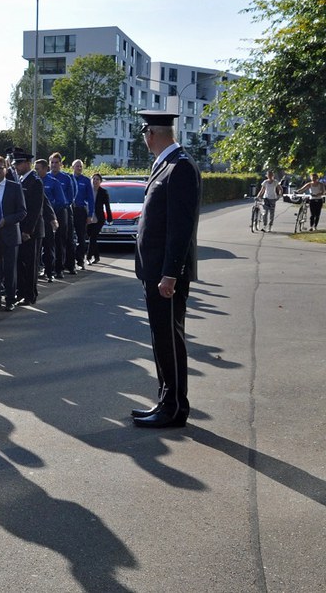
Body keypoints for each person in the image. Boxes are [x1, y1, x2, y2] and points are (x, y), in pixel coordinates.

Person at [132, 111, 201, 428]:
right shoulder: (165, 164)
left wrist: (170, 273)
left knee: (170, 340)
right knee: (161, 339)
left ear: (151, 133)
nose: (144, 138)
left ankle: (173, 408)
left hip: (165, 274)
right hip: (155, 271)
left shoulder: (181, 167)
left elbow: (180, 228)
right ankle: (166, 401)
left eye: (144, 132)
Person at [0, 155, 26, 311]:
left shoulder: (14, 187)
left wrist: (6, 220)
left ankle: (10, 299)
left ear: (5, 169)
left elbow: (22, 212)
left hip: (10, 235)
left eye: (0, 168)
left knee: (10, 269)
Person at [14, 151, 43, 306]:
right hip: (20, 229)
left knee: (30, 264)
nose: (16, 166)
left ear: (26, 163)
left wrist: (27, 231)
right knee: (21, 263)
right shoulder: (21, 180)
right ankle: (22, 292)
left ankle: (30, 295)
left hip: (30, 231)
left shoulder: (35, 181)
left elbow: (36, 209)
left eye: (18, 163)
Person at [44, 153, 75, 278]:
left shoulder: (66, 178)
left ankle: (60, 268)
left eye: (56, 162)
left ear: (61, 164)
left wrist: (61, 204)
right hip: (47, 213)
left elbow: (71, 196)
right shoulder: (45, 177)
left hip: (61, 212)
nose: (54, 165)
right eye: (52, 162)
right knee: (47, 242)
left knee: (60, 240)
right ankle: (48, 268)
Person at [71, 159, 94, 270]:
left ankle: (80, 261)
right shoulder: (69, 179)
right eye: (77, 166)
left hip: (80, 211)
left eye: (80, 166)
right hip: (70, 210)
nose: (79, 168)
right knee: (68, 237)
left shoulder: (85, 180)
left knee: (81, 236)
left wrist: (90, 214)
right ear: (72, 167)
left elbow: (90, 198)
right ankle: (69, 261)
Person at [87, 173, 113, 264]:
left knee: (93, 236)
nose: (95, 181)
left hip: (99, 218)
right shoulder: (88, 191)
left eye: (97, 179)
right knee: (91, 237)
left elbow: (107, 206)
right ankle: (97, 257)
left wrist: (110, 218)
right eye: (93, 179)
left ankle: (88, 257)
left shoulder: (103, 192)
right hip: (89, 217)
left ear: (100, 181)